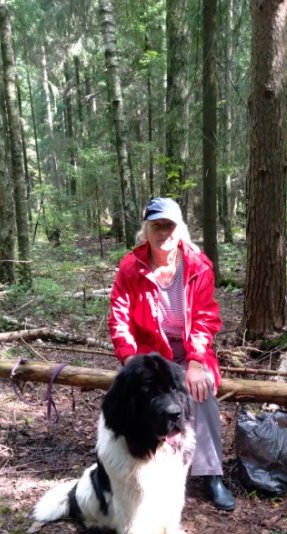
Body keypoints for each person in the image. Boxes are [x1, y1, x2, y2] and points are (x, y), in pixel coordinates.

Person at [108, 196, 236, 511]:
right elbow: (119, 317)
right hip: (150, 356)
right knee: (139, 396)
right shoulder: (131, 267)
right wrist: (131, 360)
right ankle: (138, 467)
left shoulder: (198, 265)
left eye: (169, 225)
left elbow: (206, 318)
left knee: (201, 390)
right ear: (146, 230)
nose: (163, 232)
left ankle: (210, 473)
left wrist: (195, 362)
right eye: (156, 225)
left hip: (192, 350)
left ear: (179, 229)